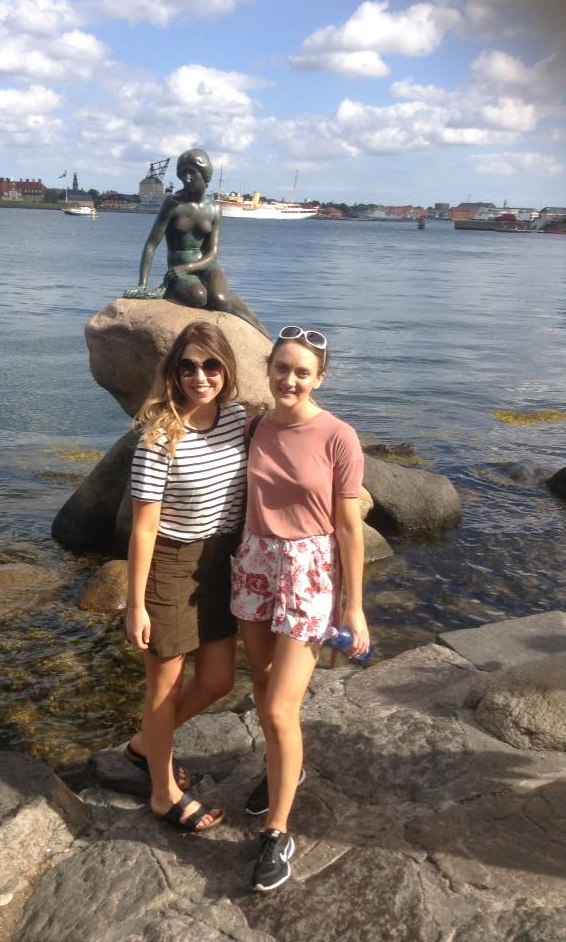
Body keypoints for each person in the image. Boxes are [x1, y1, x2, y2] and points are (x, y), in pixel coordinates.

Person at [231, 325, 371, 890]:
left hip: (310, 572)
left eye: (302, 372)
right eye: (282, 368)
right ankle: (283, 769)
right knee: (264, 687)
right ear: (268, 369)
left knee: (280, 707)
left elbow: (349, 528)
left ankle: (278, 832)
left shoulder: (339, 436)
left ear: (320, 378)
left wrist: (354, 609)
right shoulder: (255, 426)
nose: (290, 380)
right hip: (255, 562)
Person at [125, 320, 247, 831]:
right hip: (171, 565)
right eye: (188, 366)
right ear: (173, 373)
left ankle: (143, 746)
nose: (201, 377)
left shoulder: (236, 417)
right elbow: (143, 529)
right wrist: (135, 604)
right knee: (165, 687)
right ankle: (162, 792)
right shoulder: (159, 436)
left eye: (211, 365)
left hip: (221, 564)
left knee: (218, 680)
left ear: (227, 369)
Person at [124, 148, 268, 336]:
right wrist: (142, 284)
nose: (186, 178)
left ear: (205, 174)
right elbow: (151, 244)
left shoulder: (214, 209)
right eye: (183, 173)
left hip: (207, 266)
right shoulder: (172, 204)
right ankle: (176, 290)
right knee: (198, 297)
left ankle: (262, 331)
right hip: (179, 268)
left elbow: (213, 252)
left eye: (192, 172)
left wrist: (190, 268)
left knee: (220, 299)